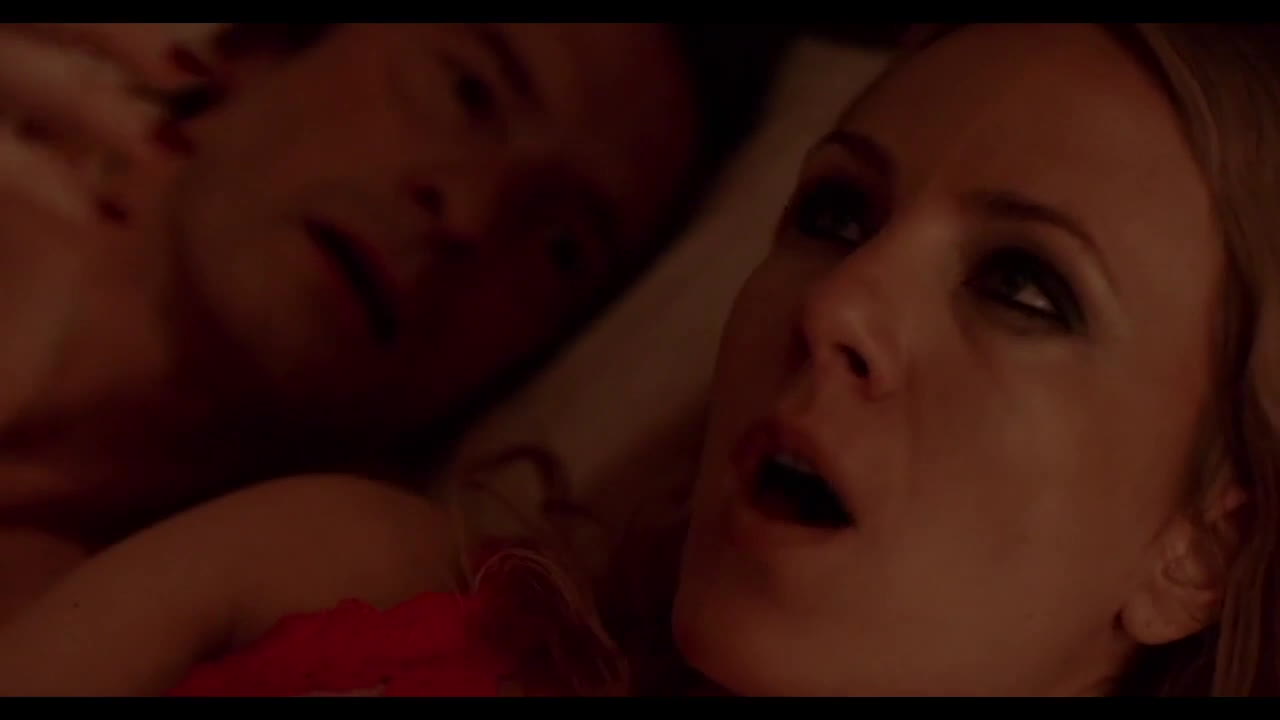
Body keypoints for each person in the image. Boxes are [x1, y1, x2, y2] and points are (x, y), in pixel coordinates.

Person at [3, 21, 1276, 696]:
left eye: (1023, 286)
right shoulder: (344, 581)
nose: (838, 301)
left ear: (1200, 550)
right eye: (836, 212)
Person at [0, 24, 787, 621]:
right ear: (254, 51)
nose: (471, 211)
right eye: (470, 92)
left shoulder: (156, 618)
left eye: (561, 246)